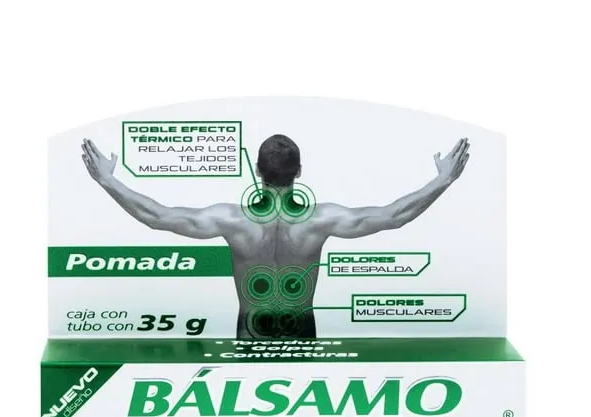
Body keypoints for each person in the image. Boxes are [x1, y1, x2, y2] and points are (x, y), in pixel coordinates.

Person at [81, 134, 470, 338]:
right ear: (299, 171)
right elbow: (394, 216)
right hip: (302, 331)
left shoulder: (231, 219)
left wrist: (107, 180)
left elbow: (157, 216)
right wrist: (443, 180)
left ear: (257, 170)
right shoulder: (321, 219)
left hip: (251, 332)